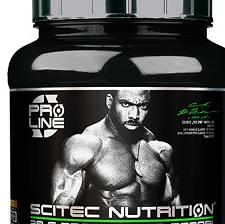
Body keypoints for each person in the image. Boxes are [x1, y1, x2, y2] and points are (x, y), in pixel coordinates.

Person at [52, 89, 181, 207]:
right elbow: (60, 208)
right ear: (110, 102)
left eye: (143, 106)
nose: (134, 115)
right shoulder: (85, 146)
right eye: (126, 104)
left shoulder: (160, 150)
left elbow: (175, 202)